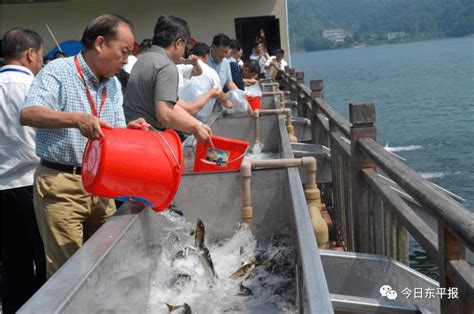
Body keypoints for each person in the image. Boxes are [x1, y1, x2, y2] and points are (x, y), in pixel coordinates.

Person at [20, 14, 148, 278]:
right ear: (100, 43)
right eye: (124, 52)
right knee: (69, 273)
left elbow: (110, 132)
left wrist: (127, 132)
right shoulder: (58, 71)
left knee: (108, 262)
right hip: (62, 184)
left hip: (102, 186)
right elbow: (29, 113)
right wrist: (76, 120)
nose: (126, 61)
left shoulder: (113, 83)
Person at [1, 27, 46, 314]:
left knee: (12, 262)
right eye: (40, 55)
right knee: (43, 258)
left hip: (1, 189)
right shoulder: (34, 87)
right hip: (30, 183)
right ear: (31, 53)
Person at [124, 15, 212, 142]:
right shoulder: (166, 65)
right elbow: (165, 114)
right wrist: (195, 128)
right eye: (184, 47)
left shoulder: (143, 59)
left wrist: (198, 125)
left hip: (129, 134)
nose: (183, 53)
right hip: (148, 138)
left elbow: (170, 105)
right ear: (178, 43)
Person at [177, 43, 222, 122]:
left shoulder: (180, 68)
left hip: (180, 118)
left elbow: (197, 72)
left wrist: (195, 63)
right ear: (206, 56)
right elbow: (192, 110)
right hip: (194, 120)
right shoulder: (212, 73)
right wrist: (210, 94)